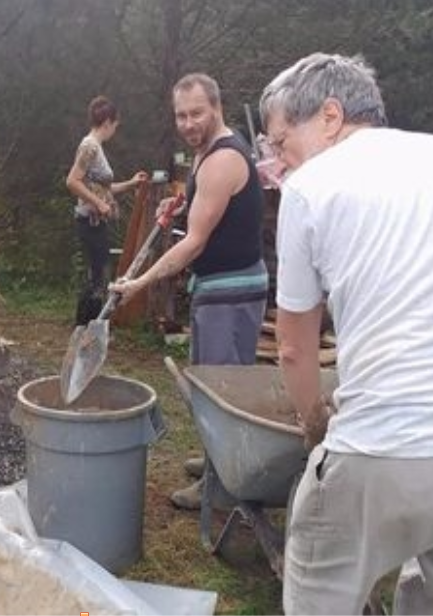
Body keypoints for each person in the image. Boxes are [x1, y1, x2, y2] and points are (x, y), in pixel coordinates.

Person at [259, 52, 433, 614]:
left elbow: (293, 346)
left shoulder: (312, 188)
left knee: (319, 595)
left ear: (330, 116)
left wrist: (314, 424)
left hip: (380, 444)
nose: (280, 163)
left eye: (282, 144)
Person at [110, 73, 267, 509]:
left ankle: (222, 485)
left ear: (216, 106)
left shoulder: (222, 159)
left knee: (224, 392)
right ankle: (217, 461)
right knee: (208, 382)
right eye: (181, 115)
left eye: (197, 113)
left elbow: (194, 241)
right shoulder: (205, 154)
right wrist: (180, 199)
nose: (188, 122)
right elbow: (208, 206)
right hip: (215, 287)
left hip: (232, 292)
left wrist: (140, 282)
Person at [66, 96, 148, 326]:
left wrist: (131, 183)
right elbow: (72, 181)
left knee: (98, 276)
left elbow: (104, 188)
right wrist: (99, 204)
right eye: (115, 125)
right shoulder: (89, 146)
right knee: (98, 277)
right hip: (89, 222)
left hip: (97, 222)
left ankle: (86, 327)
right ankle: (85, 327)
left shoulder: (96, 148)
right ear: (108, 122)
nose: (115, 130)